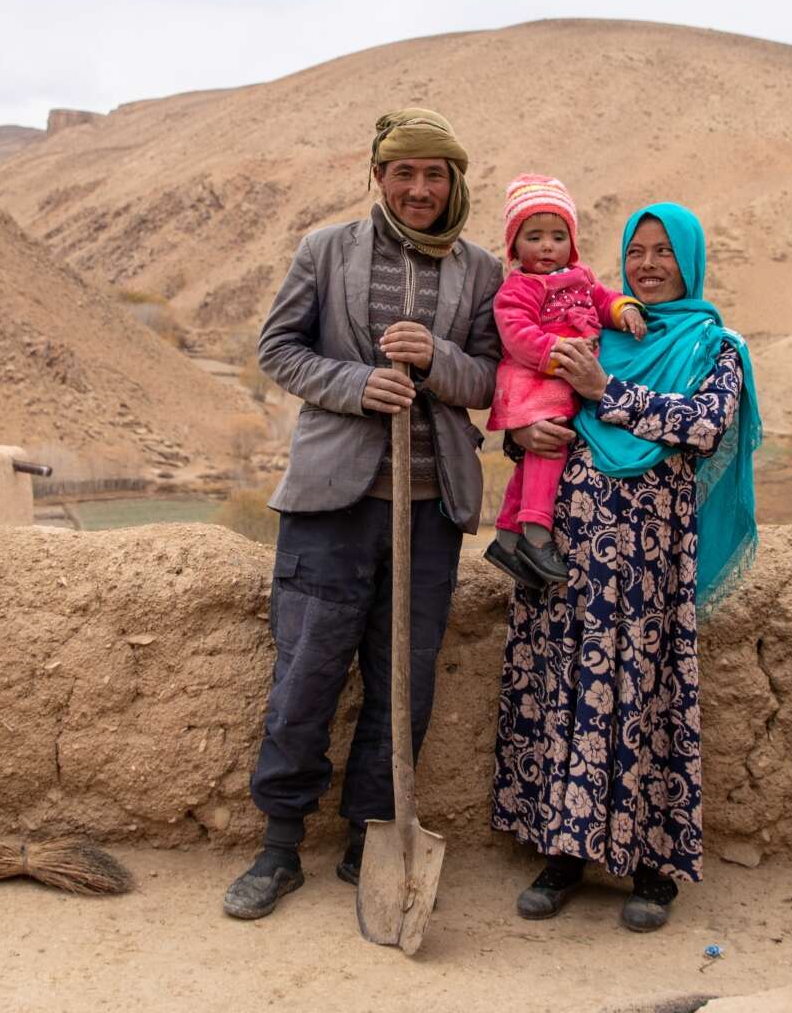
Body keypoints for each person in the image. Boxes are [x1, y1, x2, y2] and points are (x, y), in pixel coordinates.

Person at [223, 108, 502, 920]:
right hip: (330, 507)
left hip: (430, 510)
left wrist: (436, 362)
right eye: (405, 172)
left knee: (402, 684)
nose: (420, 189)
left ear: (454, 181)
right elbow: (278, 349)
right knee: (306, 671)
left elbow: (487, 379)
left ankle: (370, 842)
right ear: (378, 176)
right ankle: (278, 846)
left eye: (435, 174)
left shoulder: (480, 270)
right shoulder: (326, 250)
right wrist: (355, 385)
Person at [490, 202, 762, 932]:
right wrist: (529, 431)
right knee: (564, 685)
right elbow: (541, 399)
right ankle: (561, 853)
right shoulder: (606, 331)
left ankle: (652, 868)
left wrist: (605, 393)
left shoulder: (716, 347)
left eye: (662, 253)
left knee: (642, 693)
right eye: (636, 251)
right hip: (564, 552)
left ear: (691, 262)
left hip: (647, 561)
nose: (646, 265)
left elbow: (700, 427)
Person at [484, 174, 646, 588]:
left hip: (559, 377)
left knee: (541, 447)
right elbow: (517, 334)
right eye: (534, 236)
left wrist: (624, 310)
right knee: (551, 443)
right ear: (515, 244)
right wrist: (559, 354)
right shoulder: (519, 287)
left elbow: (605, 299)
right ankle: (537, 532)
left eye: (557, 236)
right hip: (534, 377)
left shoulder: (581, 278)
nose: (547, 246)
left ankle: (506, 535)